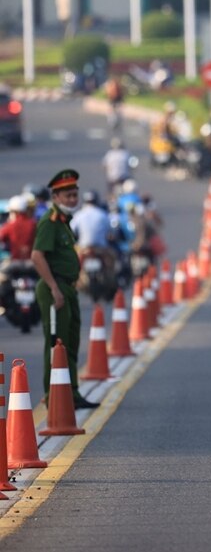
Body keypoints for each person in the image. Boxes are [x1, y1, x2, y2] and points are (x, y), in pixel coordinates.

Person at [29, 170, 99, 409]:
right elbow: (37, 256)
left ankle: (72, 393)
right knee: (56, 344)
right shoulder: (50, 222)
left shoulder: (64, 222)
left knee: (70, 342)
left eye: (74, 195)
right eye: (68, 195)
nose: (72, 200)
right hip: (54, 288)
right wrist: (54, 289)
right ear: (56, 197)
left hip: (67, 287)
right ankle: (53, 396)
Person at [0, 194, 37, 260]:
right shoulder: (34, 224)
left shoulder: (11, 225)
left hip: (15, 264)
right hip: (32, 263)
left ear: (15, 212)